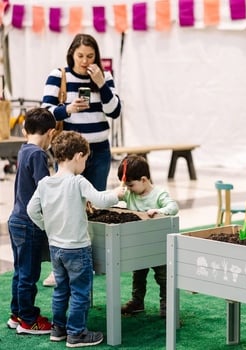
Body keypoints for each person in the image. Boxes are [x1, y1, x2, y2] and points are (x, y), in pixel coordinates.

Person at [27, 131, 125, 347]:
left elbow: (31, 210)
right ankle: (77, 334)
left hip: (56, 247)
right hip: (77, 248)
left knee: (61, 289)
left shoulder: (44, 183)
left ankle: (58, 329)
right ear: (79, 156)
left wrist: (47, 227)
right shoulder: (78, 181)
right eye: (86, 160)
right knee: (80, 292)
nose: (85, 164)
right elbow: (100, 199)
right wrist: (117, 193)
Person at [41, 33, 121, 287]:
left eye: (90, 56)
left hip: (98, 150)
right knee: (64, 206)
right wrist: (68, 109)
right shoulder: (59, 75)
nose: (85, 61)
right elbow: (45, 112)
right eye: (80, 56)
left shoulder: (104, 77)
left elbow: (115, 111)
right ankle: (59, 266)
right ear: (72, 54)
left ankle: (93, 261)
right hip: (69, 153)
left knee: (94, 206)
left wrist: (102, 84)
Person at [7, 108, 56, 334]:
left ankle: (17, 314)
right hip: (29, 223)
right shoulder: (38, 154)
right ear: (51, 133)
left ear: (25, 129)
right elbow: (44, 188)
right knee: (29, 273)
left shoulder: (24, 150)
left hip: (16, 219)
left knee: (20, 271)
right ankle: (28, 320)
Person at [117, 155, 179, 318]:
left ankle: (167, 306)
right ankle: (137, 302)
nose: (129, 189)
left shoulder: (159, 194)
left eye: (131, 185)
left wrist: (159, 211)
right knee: (138, 276)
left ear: (144, 179)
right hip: (140, 246)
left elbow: (173, 207)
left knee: (163, 277)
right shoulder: (130, 194)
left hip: (159, 247)